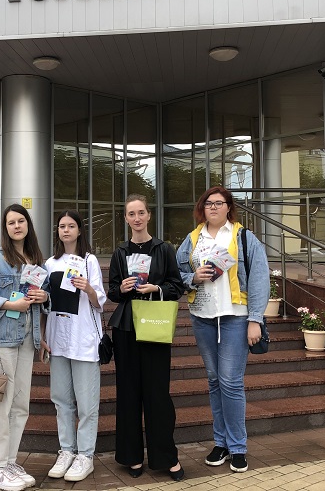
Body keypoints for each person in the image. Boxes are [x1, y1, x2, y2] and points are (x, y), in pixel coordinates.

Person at [176, 186, 269, 474]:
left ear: (229, 207)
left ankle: (238, 447)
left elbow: (259, 278)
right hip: (202, 317)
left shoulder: (243, 237)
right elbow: (175, 273)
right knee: (215, 381)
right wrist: (192, 277)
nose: (213, 207)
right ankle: (221, 443)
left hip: (235, 317)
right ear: (202, 208)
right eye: (209, 203)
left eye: (219, 203)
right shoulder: (193, 239)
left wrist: (255, 319)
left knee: (231, 382)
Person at [107, 194, 185, 482]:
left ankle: (166, 456)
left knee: (157, 393)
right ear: (125, 218)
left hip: (154, 324)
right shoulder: (120, 252)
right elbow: (112, 291)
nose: (137, 218)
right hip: (126, 327)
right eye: (131, 214)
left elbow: (176, 287)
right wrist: (123, 288)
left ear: (149, 215)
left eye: (141, 212)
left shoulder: (163, 249)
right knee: (128, 393)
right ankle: (132, 456)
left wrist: (155, 288)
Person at [0, 204, 49, 491]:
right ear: (5, 228)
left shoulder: (37, 260)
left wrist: (44, 297)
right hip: (0, 339)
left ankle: (9, 461)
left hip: (27, 340)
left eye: (21, 221)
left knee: (20, 405)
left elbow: (44, 299)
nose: (17, 226)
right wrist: (9, 304)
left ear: (28, 224)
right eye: (11, 222)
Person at [40, 210, 106, 482]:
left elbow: (100, 303)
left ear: (79, 230)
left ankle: (85, 455)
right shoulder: (49, 264)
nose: (66, 230)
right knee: (62, 400)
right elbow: (45, 304)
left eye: (71, 226)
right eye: (61, 226)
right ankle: (66, 450)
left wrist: (88, 289)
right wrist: (42, 336)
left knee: (87, 403)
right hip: (57, 338)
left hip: (83, 339)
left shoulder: (90, 261)